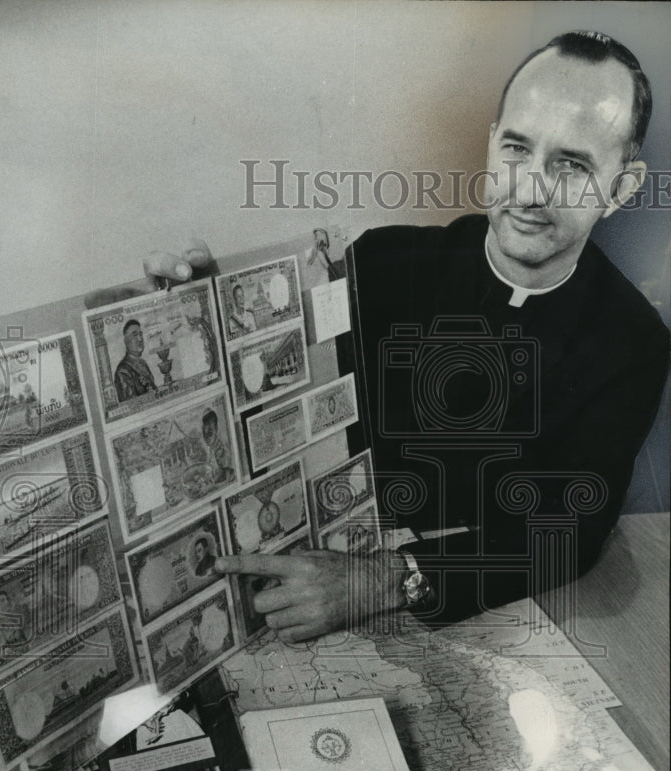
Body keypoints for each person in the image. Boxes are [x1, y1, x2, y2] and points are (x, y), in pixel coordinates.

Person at [104, 31, 669, 641]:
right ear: (490, 143)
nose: (530, 188)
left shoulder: (634, 339)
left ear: (621, 189)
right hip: (302, 585)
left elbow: (570, 533)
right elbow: (277, 408)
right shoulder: (381, 262)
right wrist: (206, 324)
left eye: (572, 165)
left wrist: (372, 583)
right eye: (516, 148)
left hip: (488, 614)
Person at [113, 320, 157, 401]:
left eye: (140, 334)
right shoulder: (123, 371)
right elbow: (131, 405)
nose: (140, 339)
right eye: (135, 335)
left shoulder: (143, 363)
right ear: (126, 341)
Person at [201, 408, 234, 483]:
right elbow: (209, 469)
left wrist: (211, 485)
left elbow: (226, 479)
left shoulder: (222, 450)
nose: (207, 438)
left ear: (216, 429)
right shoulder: (210, 450)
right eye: (205, 435)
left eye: (210, 433)